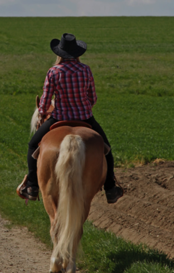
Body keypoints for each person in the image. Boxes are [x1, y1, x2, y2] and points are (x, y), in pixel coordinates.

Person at [17, 32, 124, 204]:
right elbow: (93, 99)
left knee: (32, 146)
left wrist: (43, 112)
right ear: (77, 53)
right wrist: (83, 106)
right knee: (107, 149)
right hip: (85, 117)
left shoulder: (53, 72)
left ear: (59, 53)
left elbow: (44, 102)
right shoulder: (85, 69)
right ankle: (111, 188)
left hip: (59, 117)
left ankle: (32, 185)